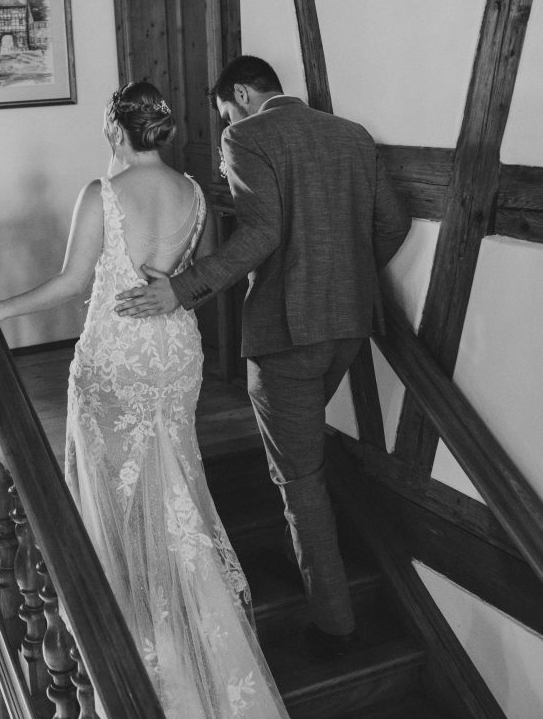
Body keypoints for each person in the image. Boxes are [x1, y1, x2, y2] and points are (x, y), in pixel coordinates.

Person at [0, 81, 350, 719]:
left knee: (119, 489)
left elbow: (74, 286)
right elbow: (190, 272)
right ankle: (174, 621)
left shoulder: (102, 191)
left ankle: (131, 623)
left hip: (115, 356)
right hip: (173, 349)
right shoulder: (191, 190)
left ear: (115, 127)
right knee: (171, 487)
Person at [115, 57, 412, 658]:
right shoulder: (351, 134)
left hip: (287, 335)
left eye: (226, 110)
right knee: (297, 455)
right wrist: (347, 278)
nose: (226, 121)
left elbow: (260, 233)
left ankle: (335, 625)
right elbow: (394, 221)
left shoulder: (246, 136)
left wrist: (182, 288)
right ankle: (297, 548)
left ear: (242, 95)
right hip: (349, 326)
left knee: (300, 477)